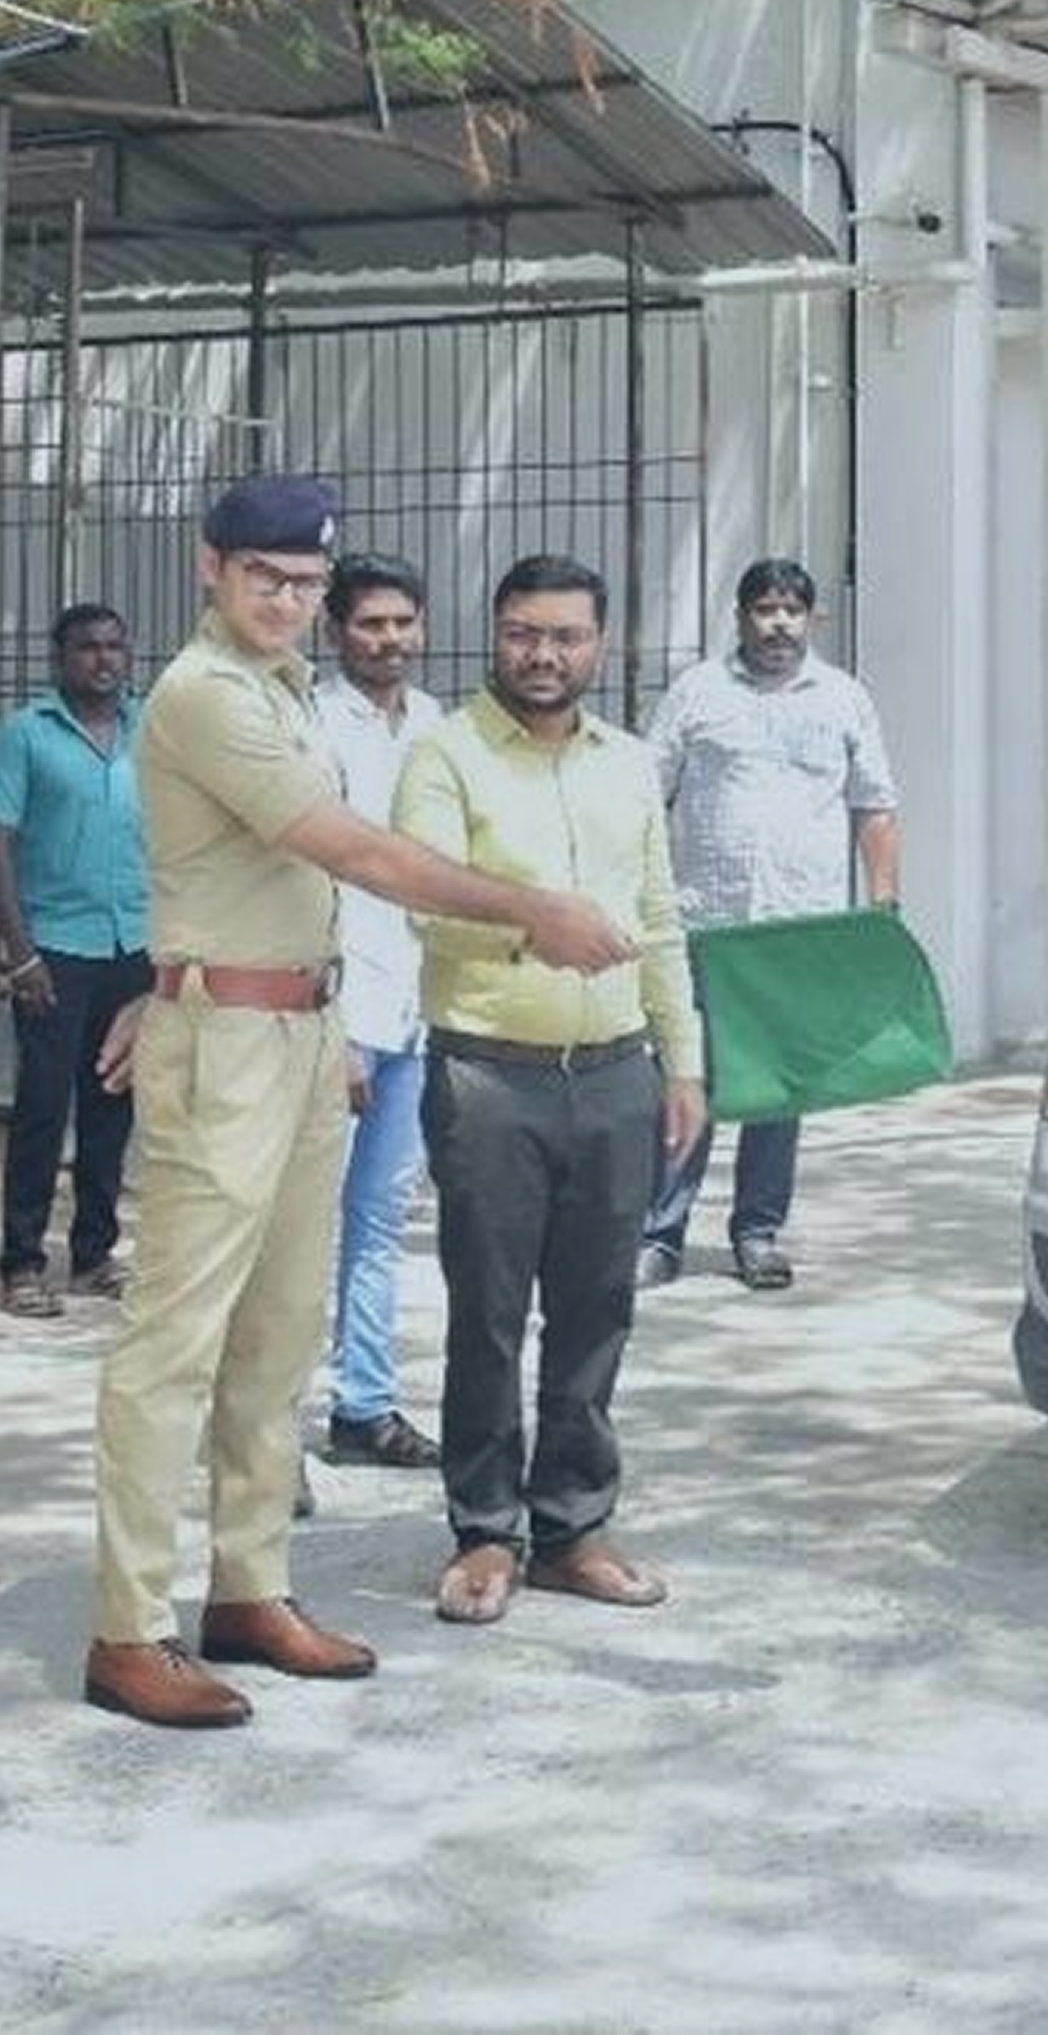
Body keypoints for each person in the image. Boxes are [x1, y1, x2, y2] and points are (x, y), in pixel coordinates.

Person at [82, 476, 637, 1731]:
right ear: (211, 568)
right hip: (226, 1041)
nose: (287, 601)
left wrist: (325, 1014)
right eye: (264, 578)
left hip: (301, 1027)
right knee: (175, 1340)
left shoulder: (282, 688)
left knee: (281, 1333)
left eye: (305, 582)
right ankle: (128, 1625)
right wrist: (533, 912)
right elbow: (354, 850)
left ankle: (248, 1587)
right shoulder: (207, 692)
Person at [396, 554, 704, 1627]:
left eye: (566, 636)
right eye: (524, 633)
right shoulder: (446, 754)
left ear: (599, 645)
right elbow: (425, 900)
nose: (543, 655)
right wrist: (539, 925)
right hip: (490, 1075)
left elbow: (658, 917)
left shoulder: (630, 763)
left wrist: (684, 1060)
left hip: (617, 1073)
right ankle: (485, 1531)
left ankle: (573, 1527)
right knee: (487, 1310)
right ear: (496, 634)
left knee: (597, 1307)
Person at [635, 558, 897, 1292]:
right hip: (705, 926)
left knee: (780, 1088)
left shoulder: (845, 699)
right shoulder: (697, 693)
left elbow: (874, 805)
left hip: (795, 932)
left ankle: (757, 1233)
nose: (778, 623)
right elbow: (645, 796)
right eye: (764, 609)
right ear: (741, 617)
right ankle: (658, 1234)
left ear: (813, 619)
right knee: (688, 1073)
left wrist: (883, 906)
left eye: (791, 610)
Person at [0, 601, 151, 1320]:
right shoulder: (26, 734)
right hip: (55, 948)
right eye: (87, 647)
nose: (104, 659)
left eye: (114, 646)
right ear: (60, 658)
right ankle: (22, 1261)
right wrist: (19, 953)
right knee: (43, 1108)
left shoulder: (151, 730)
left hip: (133, 945)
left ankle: (93, 1254)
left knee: (113, 1104)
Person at [309, 555, 448, 1471]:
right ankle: (263, 1433)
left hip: (414, 1009)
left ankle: (363, 1405)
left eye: (403, 623)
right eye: (370, 624)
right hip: (335, 1011)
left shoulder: (438, 727)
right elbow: (305, 874)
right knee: (300, 1228)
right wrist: (333, 1021)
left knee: (379, 1217)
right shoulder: (309, 724)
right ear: (336, 632)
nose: (389, 639)